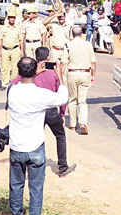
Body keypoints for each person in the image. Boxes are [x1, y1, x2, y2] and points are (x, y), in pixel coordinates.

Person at [8, 57, 68, 215]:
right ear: (35, 71)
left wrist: (33, 74)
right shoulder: (41, 94)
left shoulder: (12, 91)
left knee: (16, 186)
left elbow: (14, 82)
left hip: (17, 146)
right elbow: (63, 97)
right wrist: (59, 75)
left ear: (18, 72)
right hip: (35, 148)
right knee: (36, 188)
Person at [11, 47, 76, 177]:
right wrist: (62, 114)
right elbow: (61, 95)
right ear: (48, 58)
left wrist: (34, 73)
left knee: (35, 137)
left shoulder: (32, 73)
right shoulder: (53, 73)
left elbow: (14, 83)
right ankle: (62, 167)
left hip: (35, 110)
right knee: (60, 136)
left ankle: (29, 167)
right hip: (51, 110)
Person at [62, 26, 96, 135]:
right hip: (85, 73)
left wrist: (62, 77)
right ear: (82, 34)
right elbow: (93, 63)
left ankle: (72, 124)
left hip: (72, 73)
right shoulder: (88, 45)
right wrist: (93, 75)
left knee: (72, 99)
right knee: (82, 101)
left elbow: (64, 64)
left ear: (72, 34)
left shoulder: (68, 45)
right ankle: (83, 122)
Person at [0, 10, 24, 90]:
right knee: (5, 67)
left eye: (13, 18)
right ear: (8, 18)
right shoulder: (3, 28)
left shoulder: (18, 28)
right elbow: (0, 40)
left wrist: (22, 51)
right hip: (5, 50)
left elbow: (21, 40)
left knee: (15, 67)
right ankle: (5, 84)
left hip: (15, 49)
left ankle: (13, 83)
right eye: (11, 18)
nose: (12, 19)